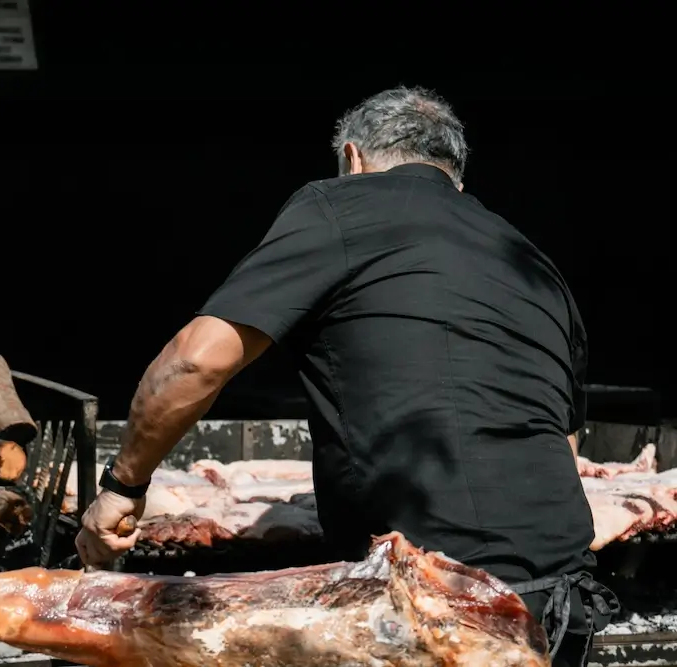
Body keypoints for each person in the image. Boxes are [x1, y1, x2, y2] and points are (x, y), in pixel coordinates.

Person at [74, 86, 617, 666]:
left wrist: (122, 487)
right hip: (562, 602)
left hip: (432, 600)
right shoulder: (534, 262)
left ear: (353, 160)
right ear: (456, 179)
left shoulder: (342, 204)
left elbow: (195, 359)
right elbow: (563, 440)